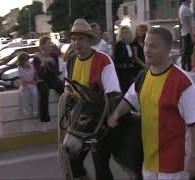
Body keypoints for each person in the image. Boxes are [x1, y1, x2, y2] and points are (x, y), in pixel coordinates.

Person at [108, 27, 195, 180]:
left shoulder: (182, 82)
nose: (146, 49)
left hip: (175, 165)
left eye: (153, 46)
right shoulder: (143, 76)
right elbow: (130, 99)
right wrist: (116, 114)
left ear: (167, 50)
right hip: (150, 161)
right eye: (145, 44)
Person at [64, 18, 121, 180]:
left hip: (99, 125)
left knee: (101, 168)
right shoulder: (71, 62)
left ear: (90, 40)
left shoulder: (103, 60)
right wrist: (67, 94)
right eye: (73, 39)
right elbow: (68, 87)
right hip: (79, 123)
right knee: (73, 162)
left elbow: (113, 93)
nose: (76, 43)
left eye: (81, 38)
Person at [33, 36, 65, 123]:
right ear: (42, 46)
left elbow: (57, 71)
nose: (50, 45)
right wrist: (43, 64)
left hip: (52, 78)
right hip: (42, 79)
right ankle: (44, 118)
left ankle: (67, 112)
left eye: (51, 43)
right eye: (48, 43)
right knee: (44, 91)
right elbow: (37, 73)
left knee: (62, 88)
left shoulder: (54, 56)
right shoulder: (37, 57)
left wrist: (53, 63)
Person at [114, 26, 138, 93]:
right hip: (123, 73)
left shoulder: (131, 44)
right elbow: (116, 60)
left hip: (131, 71)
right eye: (123, 32)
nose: (125, 34)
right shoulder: (118, 45)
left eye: (126, 32)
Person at [179, 0, 195, 71]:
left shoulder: (185, 8)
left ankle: (186, 66)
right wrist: (192, 35)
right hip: (187, 33)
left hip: (187, 33)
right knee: (188, 51)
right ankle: (186, 67)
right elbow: (186, 23)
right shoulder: (184, 8)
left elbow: (190, 18)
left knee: (189, 50)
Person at [17, 53, 39, 117]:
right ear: (22, 61)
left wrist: (36, 81)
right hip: (25, 84)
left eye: (28, 60)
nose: (28, 62)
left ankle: (35, 110)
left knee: (35, 93)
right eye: (26, 60)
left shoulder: (31, 66)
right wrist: (31, 82)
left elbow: (35, 76)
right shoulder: (20, 68)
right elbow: (22, 80)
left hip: (32, 84)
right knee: (23, 93)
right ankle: (25, 109)